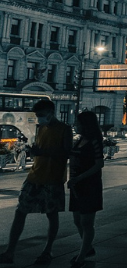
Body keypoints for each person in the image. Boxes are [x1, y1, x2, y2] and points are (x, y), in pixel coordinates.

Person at [0, 99, 72, 265]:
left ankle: (48, 250)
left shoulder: (64, 129)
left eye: (41, 115)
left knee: (51, 214)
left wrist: (43, 152)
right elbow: (41, 149)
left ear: (51, 112)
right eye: (37, 115)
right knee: (20, 211)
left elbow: (66, 152)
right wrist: (34, 151)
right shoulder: (40, 129)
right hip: (35, 176)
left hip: (53, 178)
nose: (39, 118)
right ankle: (10, 251)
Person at [68, 111, 105, 268]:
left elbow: (99, 164)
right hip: (76, 186)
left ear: (86, 124)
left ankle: (82, 257)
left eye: (78, 123)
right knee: (77, 220)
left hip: (90, 186)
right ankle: (87, 248)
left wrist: (80, 177)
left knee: (86, 222)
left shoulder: (95, 141)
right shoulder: (79, 140)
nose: (76, 125)